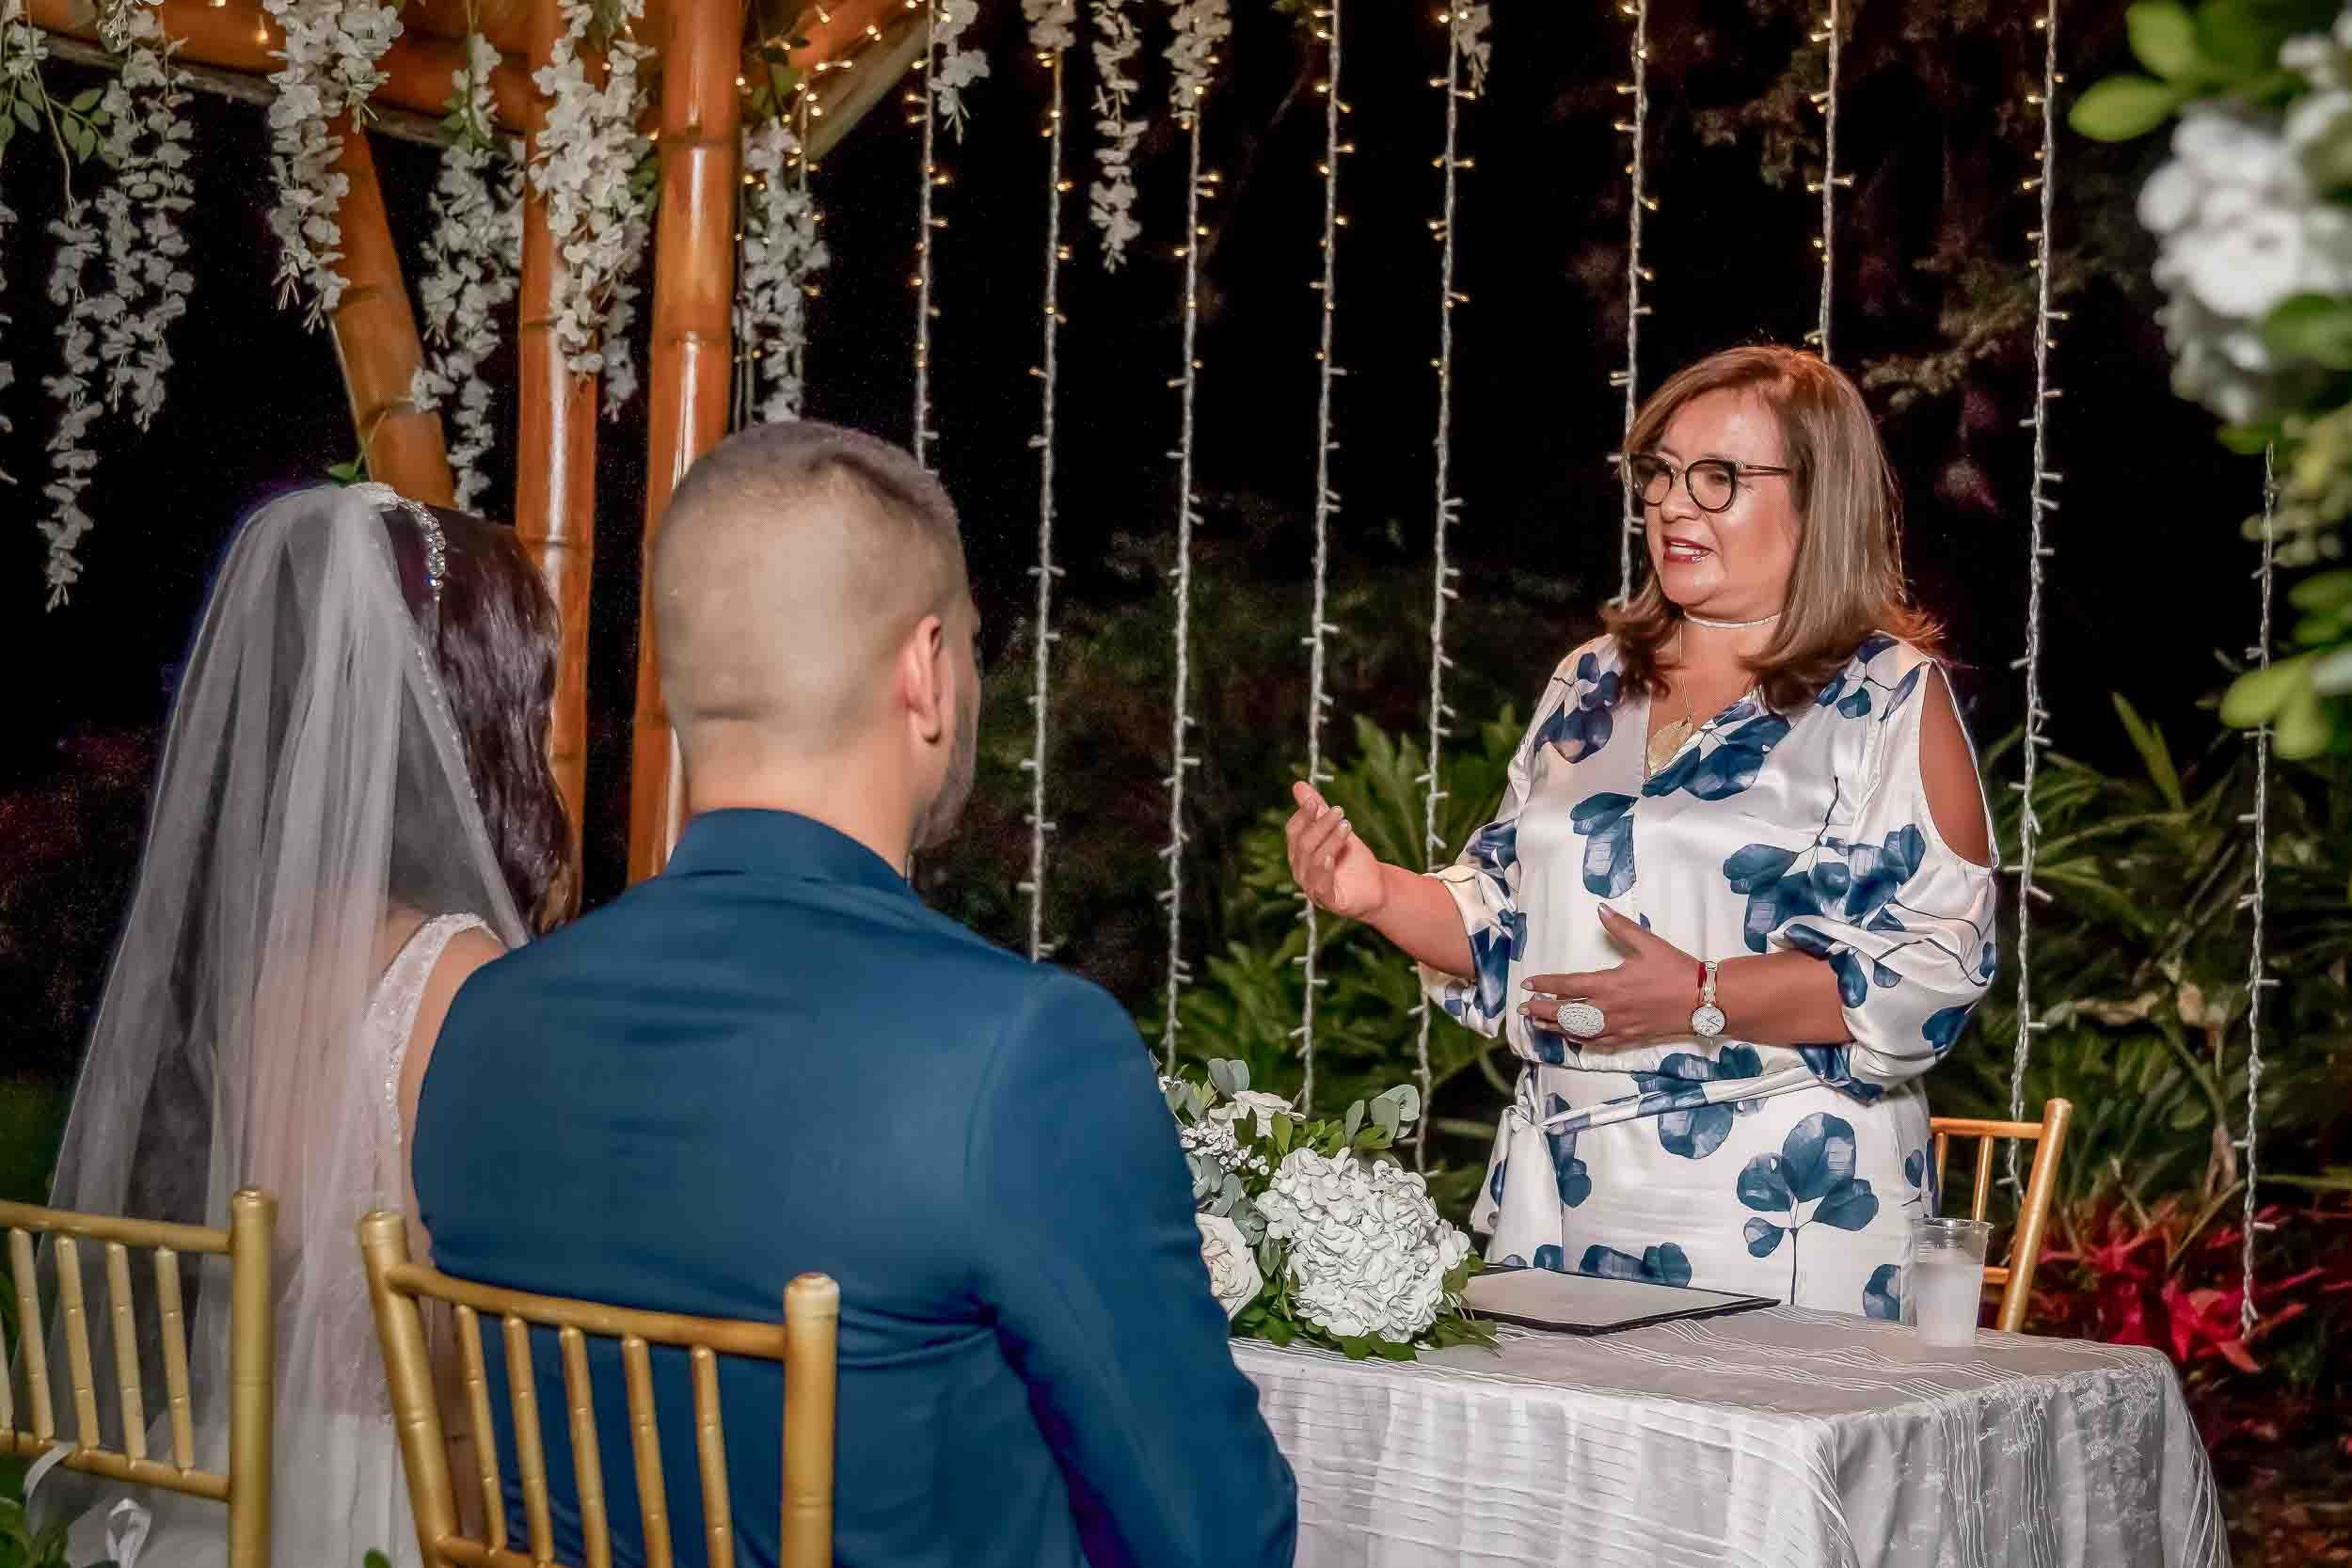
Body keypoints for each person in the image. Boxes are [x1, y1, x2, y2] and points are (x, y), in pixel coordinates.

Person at [413, 420, 1296, 1568]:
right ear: (924, 668)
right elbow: (1215, 1539)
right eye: (975, 647)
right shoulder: (1023, 1049)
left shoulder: (483, 1023)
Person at [1287, 345, 1997, 1315]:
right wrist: (1375, 893)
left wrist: (1703, 995)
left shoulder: (1885, 695)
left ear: (1817, 498)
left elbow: (1931, 973)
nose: (1672, 505)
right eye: (1660, 474)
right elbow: (1507, 924)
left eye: (1719, 479)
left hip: (1783, 1201)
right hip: (1569, 1193)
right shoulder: (1592, 680)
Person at [42, 483, 574, 1567]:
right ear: (475, 702)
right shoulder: (460, 972)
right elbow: (456, 1320)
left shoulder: (274, 962)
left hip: (247, 1455)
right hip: (403, 1489)